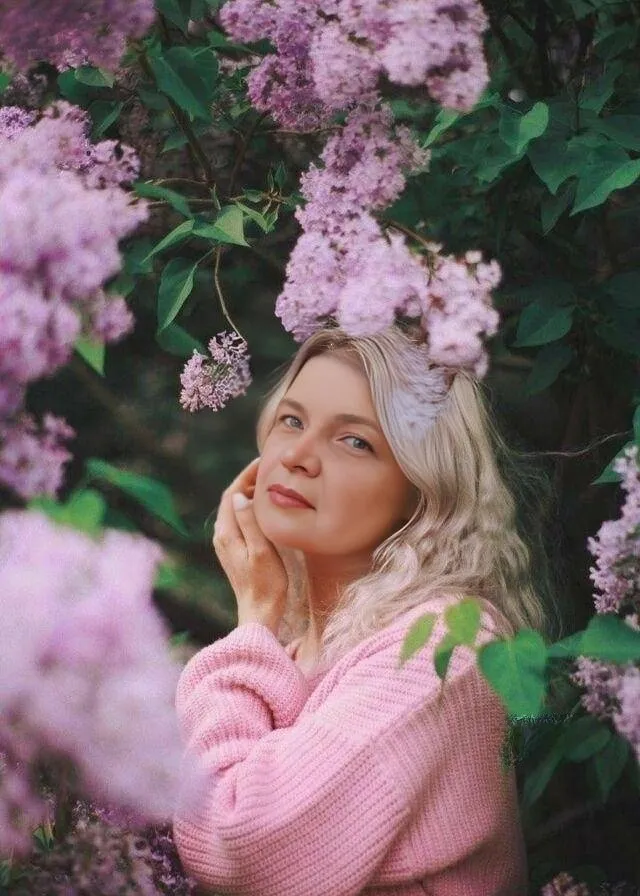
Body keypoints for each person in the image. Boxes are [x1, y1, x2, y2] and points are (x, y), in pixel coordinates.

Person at [172, 322, 555, 895]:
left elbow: (237, 844)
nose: (299, 456)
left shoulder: (444, 646)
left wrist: (254, 617)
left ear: (425, 494)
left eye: (355, 441)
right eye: (291, 421)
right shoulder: (294, 655)